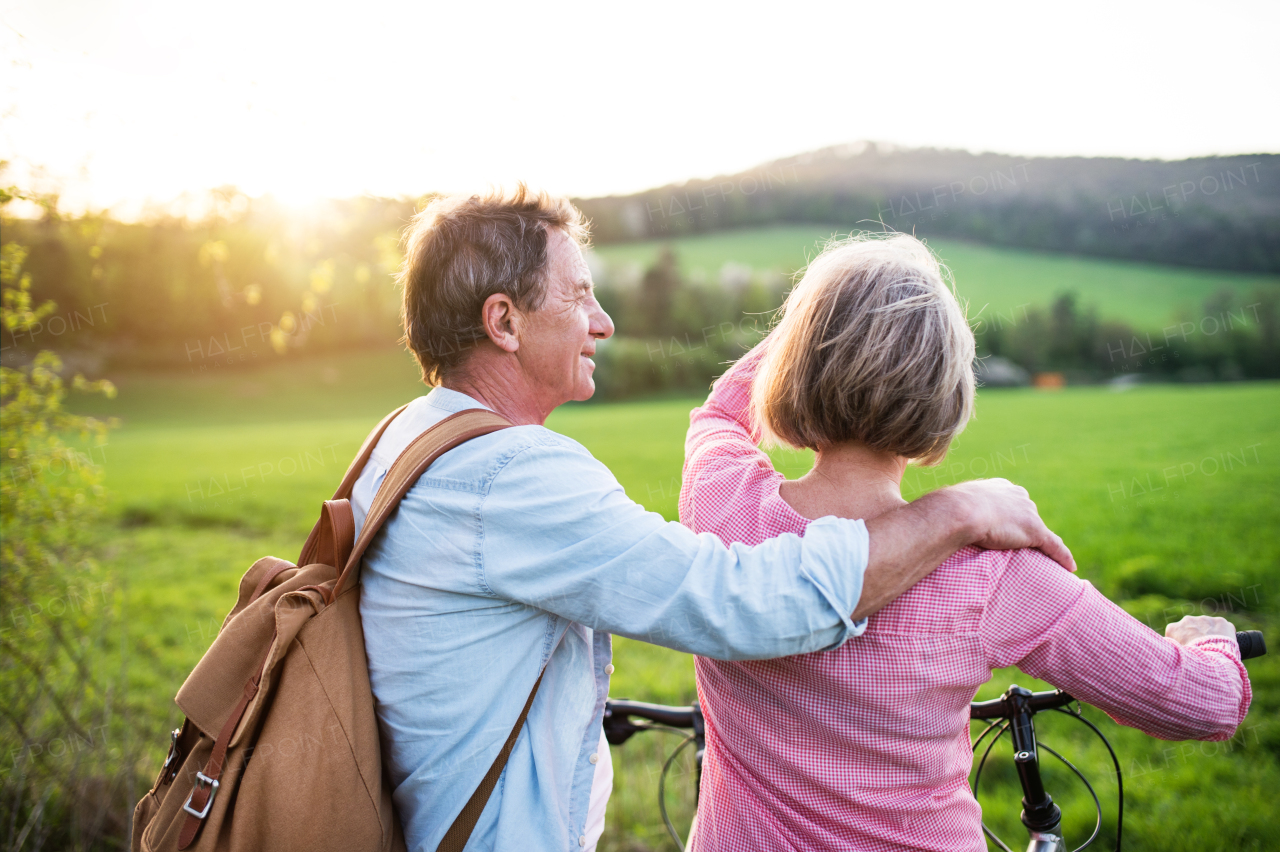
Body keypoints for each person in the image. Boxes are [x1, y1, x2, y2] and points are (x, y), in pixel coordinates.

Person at [352, 188, 1073, 852]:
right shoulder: (510, 478)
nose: (602, 322)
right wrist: (956, 509)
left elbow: (720, 422)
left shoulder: (409, 438)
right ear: (504, 321)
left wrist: (835, 319)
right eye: (578, 297)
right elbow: (746, 604)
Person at [679, 233, 1252, 851]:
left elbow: (718, 414)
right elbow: (1204, 704)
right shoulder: (995, 578)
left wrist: (822, 324)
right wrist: (1211, 643)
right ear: (946, 398)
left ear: (792, 364)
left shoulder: (723, 505)